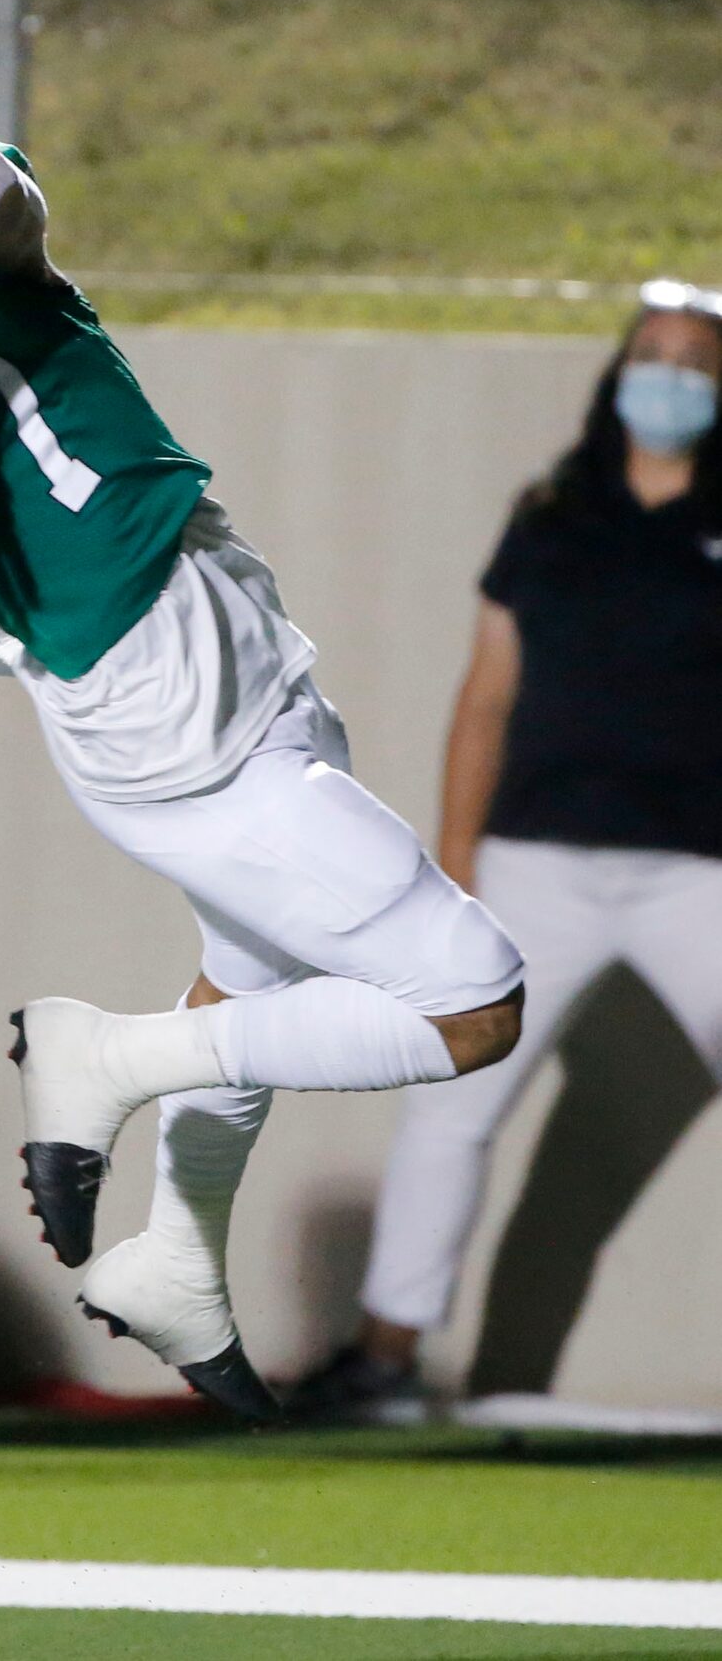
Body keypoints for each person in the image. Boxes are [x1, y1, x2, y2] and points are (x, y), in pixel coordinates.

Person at [0, 128, 526, 1415]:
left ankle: (180, 1259)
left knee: (251, 977)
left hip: (217, 601)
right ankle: (104, 1060)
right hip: (162, 700)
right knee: (475, 1004)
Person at [294, 281, 722, 1418]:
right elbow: (485, 699)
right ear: (618, 374)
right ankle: (385, 1360)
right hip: (537, 866)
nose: (668, 380)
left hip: (699, 874)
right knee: (454, 1101)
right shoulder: (551, 515)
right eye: (654, 356)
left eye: (694, 363)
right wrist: (456, 860)